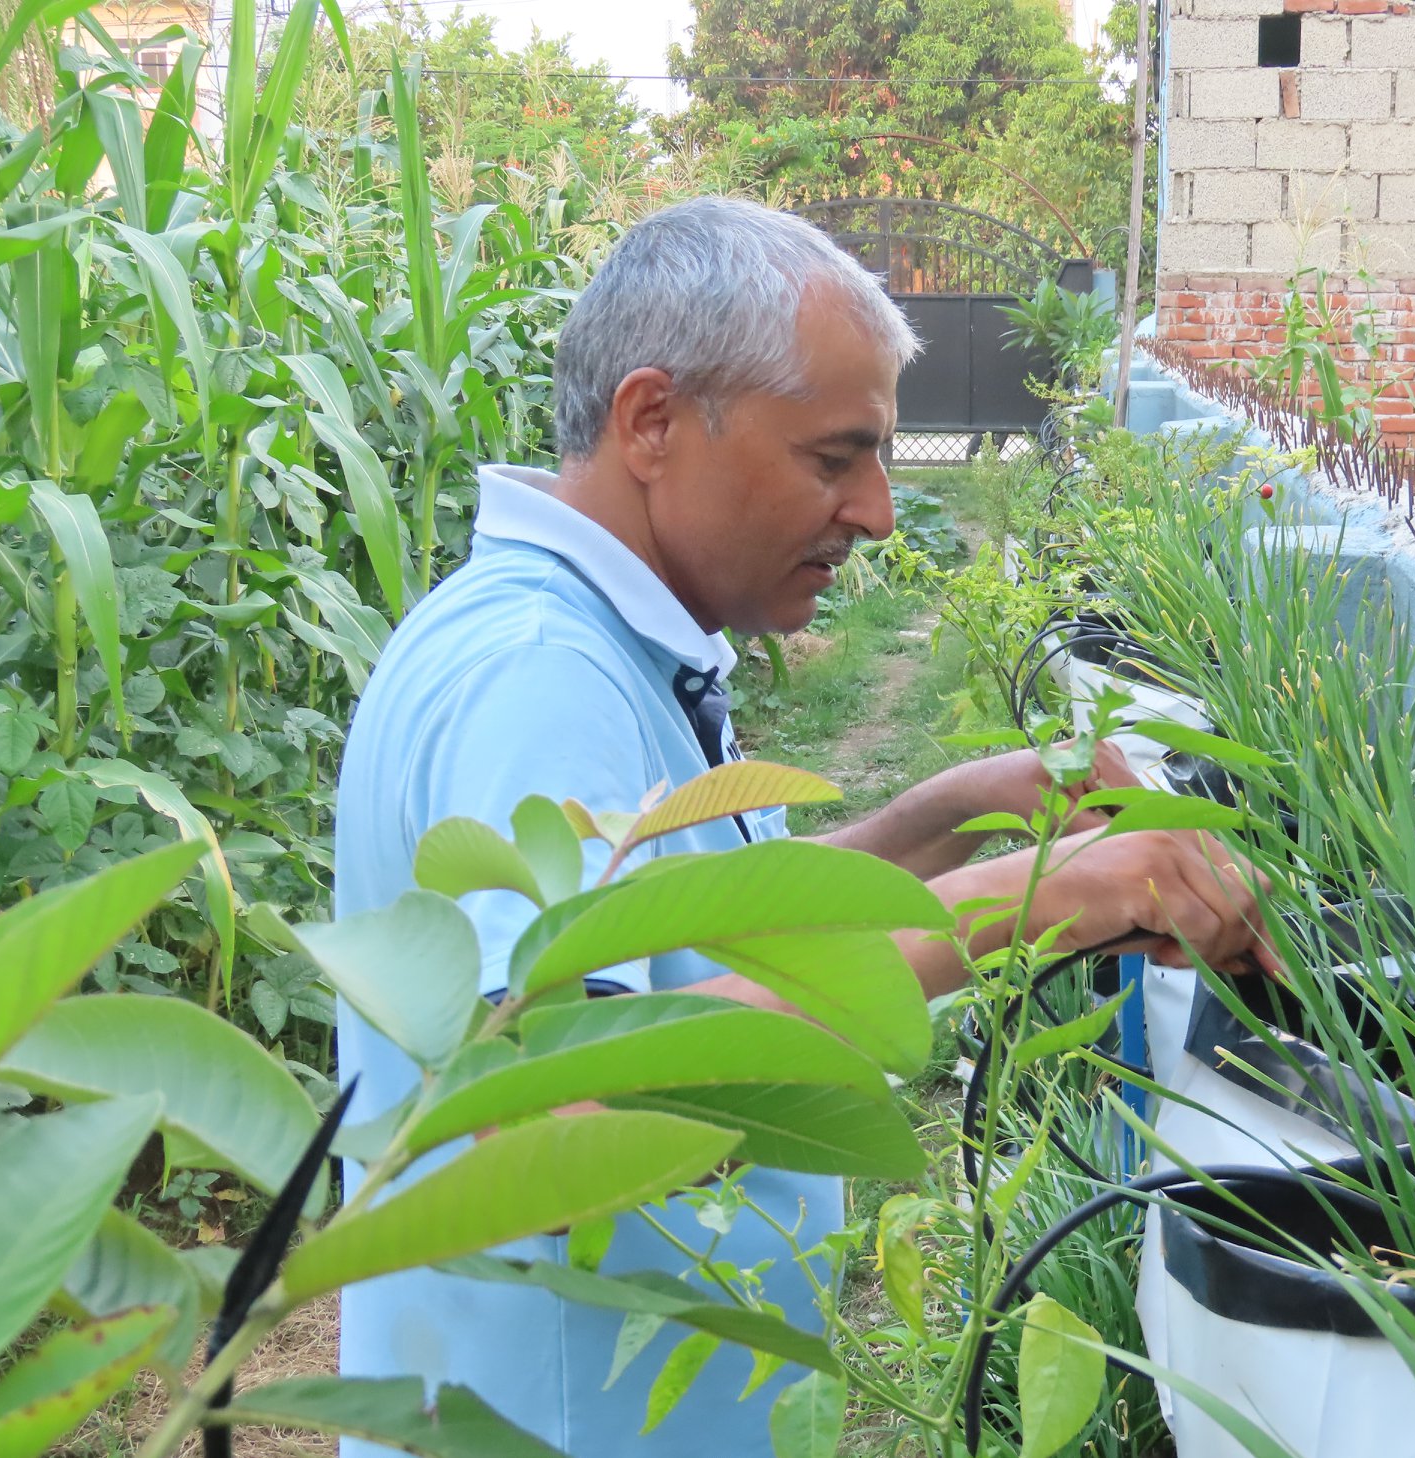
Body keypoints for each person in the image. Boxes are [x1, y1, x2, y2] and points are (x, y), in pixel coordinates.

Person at [331, 195, 1277, 1456]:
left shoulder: (584, 635)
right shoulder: (539, 679)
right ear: (653, 421)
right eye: (835, 459)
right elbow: (545, 1120)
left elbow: (698, 942)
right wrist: (1043, 899)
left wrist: (950, 810)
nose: (878, 510)